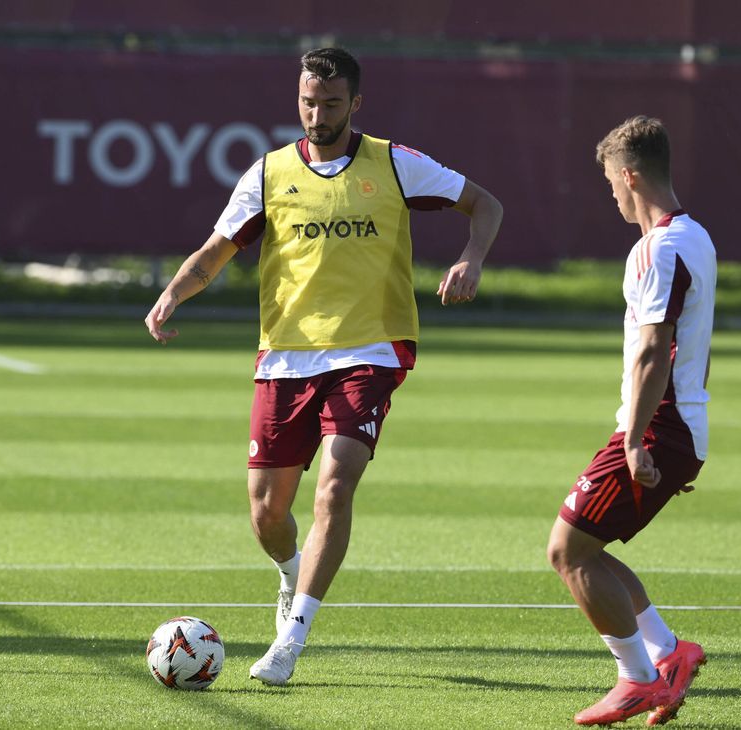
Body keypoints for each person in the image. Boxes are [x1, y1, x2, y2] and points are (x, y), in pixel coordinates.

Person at [144, 47, 503, 686]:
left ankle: (291, 640)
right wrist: (174, 292)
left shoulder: (395, 163)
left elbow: (486, 204)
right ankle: (290, 574)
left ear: (355, 104)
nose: (318, 113)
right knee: (266, 513)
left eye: (331, 103)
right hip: (285, 355)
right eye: (309, 101)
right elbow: (217, 247)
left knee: (336, 484)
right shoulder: (268, 173)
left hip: (371, 349)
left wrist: (472, 257)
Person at [546, 116, 716, 726]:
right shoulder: (696, 237)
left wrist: (640, 441)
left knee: (568, 550)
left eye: (612, 184)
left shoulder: (659, 248)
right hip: (676, 427)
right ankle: (670, 654)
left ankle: (638, 678)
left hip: (657, 427)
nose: (611, 196)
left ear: (630, 175)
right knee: (590, 544)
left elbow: (653, 350)